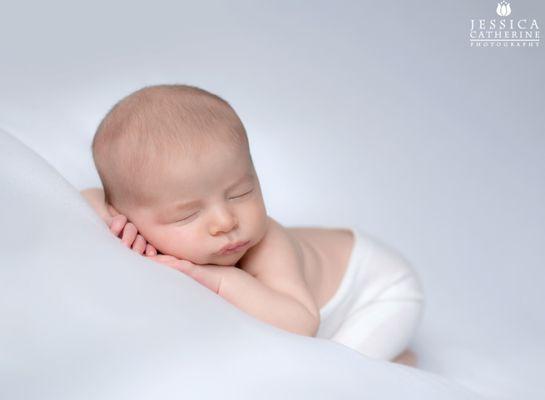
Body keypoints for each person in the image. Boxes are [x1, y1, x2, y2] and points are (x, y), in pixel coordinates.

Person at [81, 84, 425, 367]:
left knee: (337, 371)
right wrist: (113, 221)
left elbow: (300, 323)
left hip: (378, 289)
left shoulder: (267, 244)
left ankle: (398, 364)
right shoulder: (134, 217)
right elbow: (88, 196)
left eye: (240, 193)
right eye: (187, 214)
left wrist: (221, 280)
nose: (225, 221)